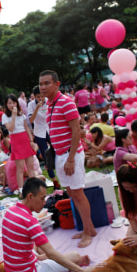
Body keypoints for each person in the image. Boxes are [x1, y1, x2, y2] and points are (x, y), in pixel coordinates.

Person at [39, 70, 96, 248]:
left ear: (57, 84)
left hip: (70, 155)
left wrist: (71, 158)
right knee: (71, 193)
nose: (43, 87)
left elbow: (76, 131)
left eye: (47, 83)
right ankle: (90, 228)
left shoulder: (66, 102)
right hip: (60, 155)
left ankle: (88, 231)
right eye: (41, 84)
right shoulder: (49, 105)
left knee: (78, 193)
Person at [2, 178, 91, 272]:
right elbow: (51, 253)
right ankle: (47, 260)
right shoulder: (30, 221)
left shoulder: (10, 210)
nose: (44, 203)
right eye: (42, 198)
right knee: (75, 256)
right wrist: (83, 271)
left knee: (35, 242)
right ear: (30, 197)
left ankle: (40, 258)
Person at [2, 94, 36, 192]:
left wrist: (31, 141)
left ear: (16, 103)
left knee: (30, 166)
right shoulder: (5, 116)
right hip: (16, 142)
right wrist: (13, 116)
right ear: (6, 105)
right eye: (9, 103)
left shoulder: (21, 114)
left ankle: (34, 188)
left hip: (25, 139)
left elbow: (27, 128)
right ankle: (21, 190)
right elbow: (11, 128)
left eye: (13, 102)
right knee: (20, 168)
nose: (12, 105)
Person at [28, 85, 60, 188]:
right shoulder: (31, 105)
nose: (41, 99)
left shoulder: (49, 101)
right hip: (39, 132)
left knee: (58, 150)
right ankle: (54, 179)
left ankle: (62, 173)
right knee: (46, 156)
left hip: (50, 129)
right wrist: (37, 108)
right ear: (34, 97)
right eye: (38, 97)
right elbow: (30, 120)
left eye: (42, 96)